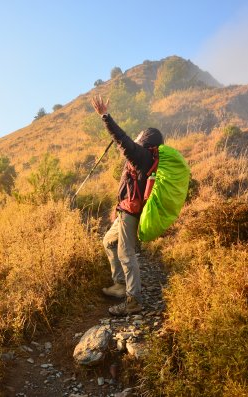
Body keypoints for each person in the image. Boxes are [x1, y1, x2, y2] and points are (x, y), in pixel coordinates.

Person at [91, 95, 164, 315]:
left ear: (147, 140)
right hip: (125, 209)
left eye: (141, 135)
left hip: (130, 213)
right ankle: (120, 285)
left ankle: (134, 300)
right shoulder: (147, 157)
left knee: (126, 253)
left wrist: (105, 117)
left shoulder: (142, 155)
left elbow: (122, 139)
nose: (138, 136)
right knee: (109, 242)